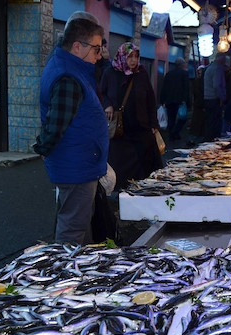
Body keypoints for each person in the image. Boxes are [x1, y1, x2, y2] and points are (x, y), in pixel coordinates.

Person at [33, 18, 107, 245]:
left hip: (80, 163)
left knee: (79, 224)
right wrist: (42, 148)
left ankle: (81, 271)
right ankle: (64, 276)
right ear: (77, 46)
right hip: (76, 166)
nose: (100, 54)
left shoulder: (71, 68)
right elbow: (56, 124)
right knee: (72, 229)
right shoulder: (68, 77)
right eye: (96, 48)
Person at [100, 42, 164, 191]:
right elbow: (101, 92)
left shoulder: (141, 73)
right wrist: (107, 104)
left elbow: (150, 99)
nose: (133, 60)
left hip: (141, 126)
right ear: (122, 56)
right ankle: (122, 193)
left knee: (145, 161)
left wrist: (154, 124)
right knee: (120, 163)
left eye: (136, 56)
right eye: (130, 57)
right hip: (120, 129)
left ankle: (144, 190)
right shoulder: (110, 72)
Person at [160, 57, 191, 141]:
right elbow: (186, 88)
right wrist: (186, 100)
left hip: (169, 100)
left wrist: (162, 100)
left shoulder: (169, 74)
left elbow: (164, 87)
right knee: (183, 117)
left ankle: (171, 134)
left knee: (171, 118)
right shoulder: (184, 74)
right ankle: (175, 132)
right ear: (182, 65)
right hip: (180, 99)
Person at [203, 53, 227, 141]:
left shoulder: (209, 68)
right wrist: (222, 97)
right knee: (215, 122)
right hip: (214, 99)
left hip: (208, 98)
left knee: (209, 121)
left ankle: (208, 140)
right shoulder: (217, 69)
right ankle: (212, 141)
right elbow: (217, 85)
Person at [188, 65, 206, 146]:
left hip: (198, 104)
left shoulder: (196, 81)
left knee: (197, 123)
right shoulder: (202, 82)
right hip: (200, 105)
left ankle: (193, 139)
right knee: (199, 123)